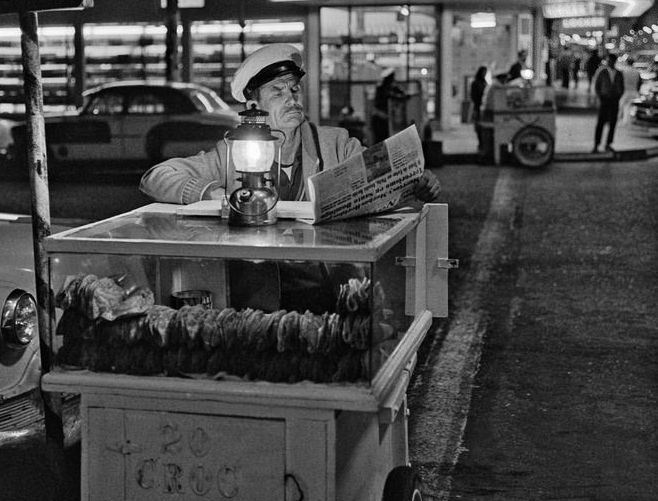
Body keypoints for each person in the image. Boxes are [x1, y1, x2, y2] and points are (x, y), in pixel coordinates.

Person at [140, 44, 441, 311]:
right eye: (278, 91)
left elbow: (379, 177)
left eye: (294, 89)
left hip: (332, 290)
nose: (291, 98)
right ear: (254, 106)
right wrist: (211, 194)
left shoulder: (335, 143)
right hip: (261, 296)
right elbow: (155, 176)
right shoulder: (233, 151)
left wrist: (416, 182)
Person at [592, 53, 625, 153]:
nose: (609, 62)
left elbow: (622, 87)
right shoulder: (602, 72)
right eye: (608, 60)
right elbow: (597, 86)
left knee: (613, 123)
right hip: (604, 99)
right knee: (601, 123)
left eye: (611, 61)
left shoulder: (619, 73)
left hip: (614, 100)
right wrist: (600, 96)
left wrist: (618, 96)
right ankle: (596, 144)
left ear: (614, 61)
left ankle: (608, 143)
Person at [371, 68, 407, 144]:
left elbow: (402, 95)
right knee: (381, 141)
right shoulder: (381, 89)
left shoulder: (393, 88)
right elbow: (387, 97)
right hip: (380, 119)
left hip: (389, 120)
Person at [617, 56, 642, 123]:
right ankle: (627, 121)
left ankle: (618, 121)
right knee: (629, 108)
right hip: (634, 92)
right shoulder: (636, 72)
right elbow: (640, 83)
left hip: (625, 91)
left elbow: (619, 82)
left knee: (620, 107)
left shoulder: (624, 71)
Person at [469, 66, 488, 152]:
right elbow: (473, 96)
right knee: (479, 126)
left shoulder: (484, 82)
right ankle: (481, 143)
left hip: (483, 107)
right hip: (478, 107)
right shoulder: (476, 83)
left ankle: (483, 143)